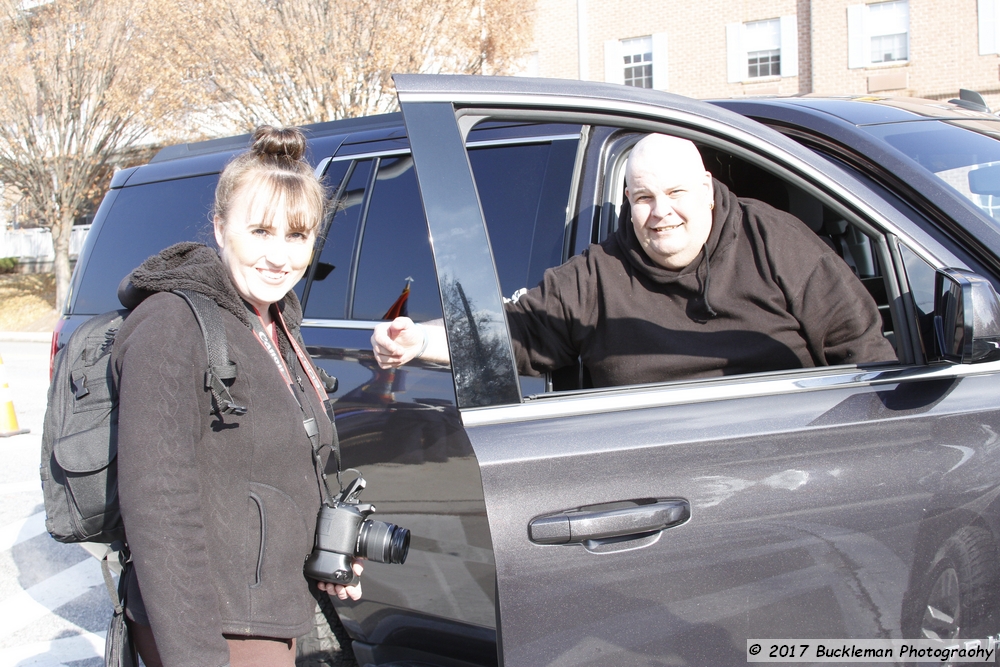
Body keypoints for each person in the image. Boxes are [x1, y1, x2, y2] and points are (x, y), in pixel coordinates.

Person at [112, 126, 361, 667]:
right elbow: (159, 510)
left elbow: (269, 469)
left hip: (267, 612)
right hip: (209, 629)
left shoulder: (273, 321)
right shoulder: (171, 325)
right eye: (261, 231)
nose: (279, 256)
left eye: (297, 236)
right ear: (221, 229)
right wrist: (197, 656)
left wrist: (325, 547)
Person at [371, 133, 897, 384]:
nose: (661, 213)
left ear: (709, 191)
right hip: (652, 481)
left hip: (786, 464)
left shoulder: (774, 239)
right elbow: (518, 331)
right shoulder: (601, 273)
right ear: (629, 204)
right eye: (644, 198)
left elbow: (861, 348)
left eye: (676, 193)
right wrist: (419, 340)